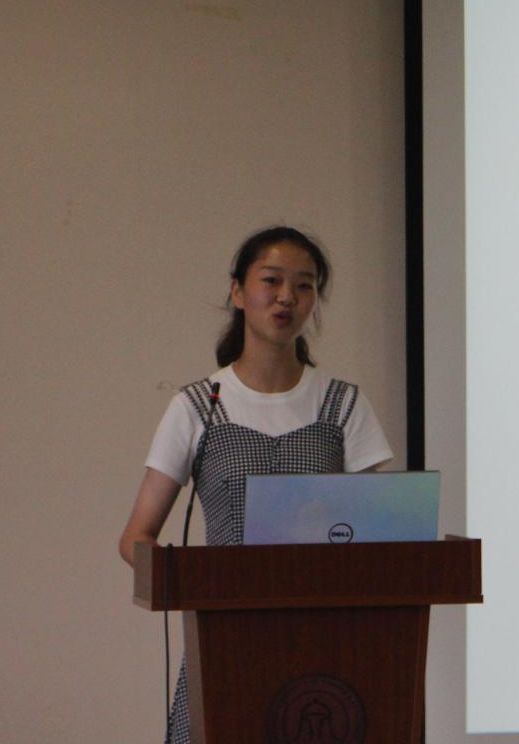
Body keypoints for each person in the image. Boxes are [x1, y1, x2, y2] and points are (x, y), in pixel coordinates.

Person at [119, 226, 394, 744]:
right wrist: (188, 578)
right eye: (272, 280)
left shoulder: (343, 404)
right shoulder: (197, 406)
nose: (287, 296)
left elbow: (380, 531)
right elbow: (136, 536)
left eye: (304, 285)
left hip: (326, 642)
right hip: (225, 635)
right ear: (238, 292)